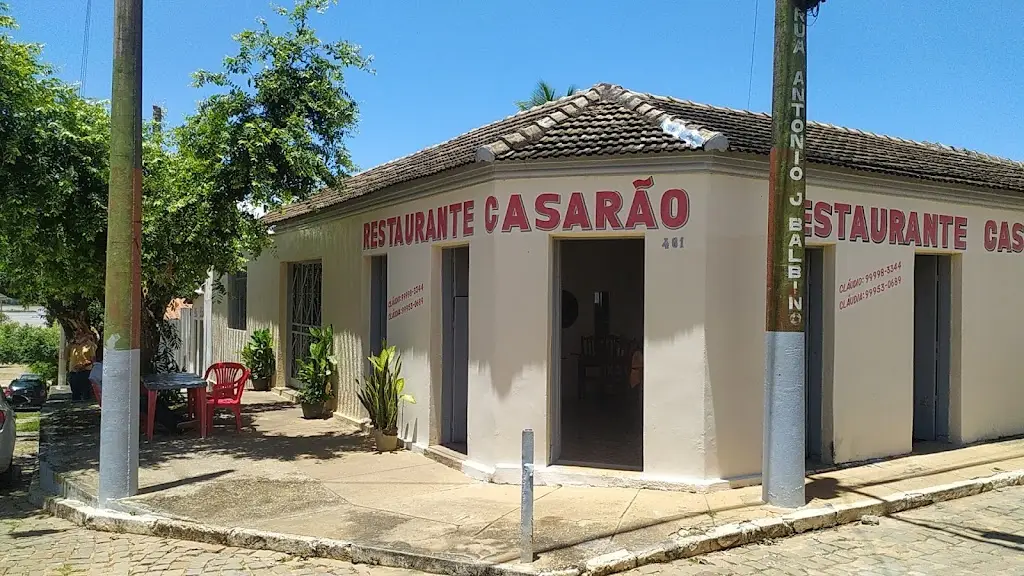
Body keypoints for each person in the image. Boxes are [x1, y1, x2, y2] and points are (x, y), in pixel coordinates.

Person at [88, 359, 185, 435]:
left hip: (117, 399)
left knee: (153, 401)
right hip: (118, 401)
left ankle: (177, 420)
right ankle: (175, 424)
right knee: (148, 403)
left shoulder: (97, 370)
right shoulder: (103, 370)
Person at [68, 331, 97, 402]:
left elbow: (93, 359)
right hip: (73, 373)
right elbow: (65, 356)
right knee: (75, 394)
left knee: (86, 393)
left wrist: (83, 366)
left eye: (79, 334)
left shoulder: (89, 345)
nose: (77, 336)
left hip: (85, 372)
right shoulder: (72, 346)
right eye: (75, 334)